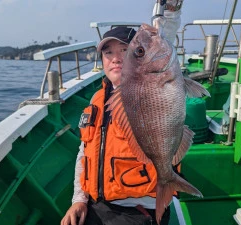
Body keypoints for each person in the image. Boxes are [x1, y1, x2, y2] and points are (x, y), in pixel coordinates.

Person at [61, 2, 184, 225]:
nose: (116, 58)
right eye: (108, 53)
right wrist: (79, 199)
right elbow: (85, 152)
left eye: (125, 51)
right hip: (97, 206)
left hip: (139, 209)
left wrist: (171, 12)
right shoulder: (97, 99)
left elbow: (162, 41)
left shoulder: (153, 81)